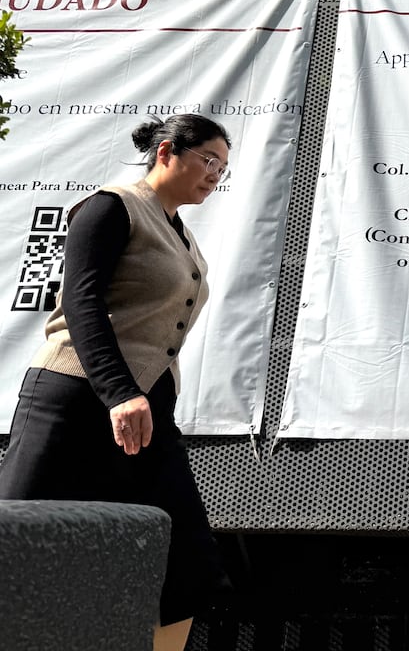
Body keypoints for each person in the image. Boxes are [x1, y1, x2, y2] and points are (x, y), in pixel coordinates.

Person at [0, 114, 232, 651]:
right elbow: (80, 303)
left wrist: (140, 397)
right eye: (209, 160)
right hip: (75, 397)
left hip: (147, 415)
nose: (216, 175)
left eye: (224, 167)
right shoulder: (110, 206)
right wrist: (120, 391)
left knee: (189, 564)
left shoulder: (183, 234)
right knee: (17, 543)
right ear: (168, 151)